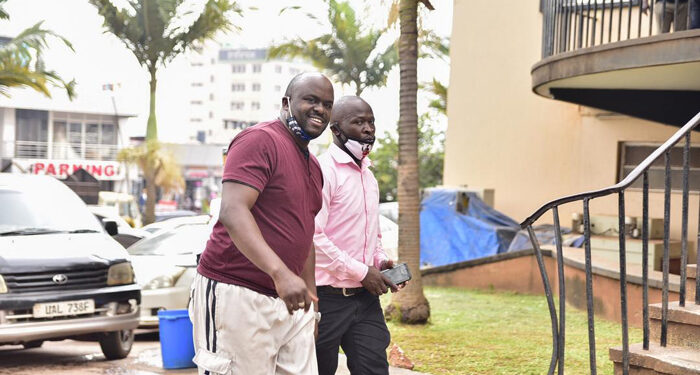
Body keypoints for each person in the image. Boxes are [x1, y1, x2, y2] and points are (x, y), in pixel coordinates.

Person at [189, 72, 334, 375]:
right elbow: (232, 210)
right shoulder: (259, 140)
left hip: (291, 301)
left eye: (327, 104)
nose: (320, 109)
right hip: (237, 292)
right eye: (311, 100)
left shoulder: (314, 166)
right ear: (286, 102)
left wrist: (312, 301)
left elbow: (304, 233)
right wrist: (280, 273)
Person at [313, 96, 399, 375]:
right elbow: (314, 236)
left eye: (371, 122)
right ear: (335, 130)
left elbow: (371, 233)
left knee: (374, 369)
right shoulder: (323, 171)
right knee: (318, 369)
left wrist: (380, 260)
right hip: (326, 298)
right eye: (358, 122)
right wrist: (363, 271)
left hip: (365, 299)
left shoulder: (368, 176)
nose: (368, 129)